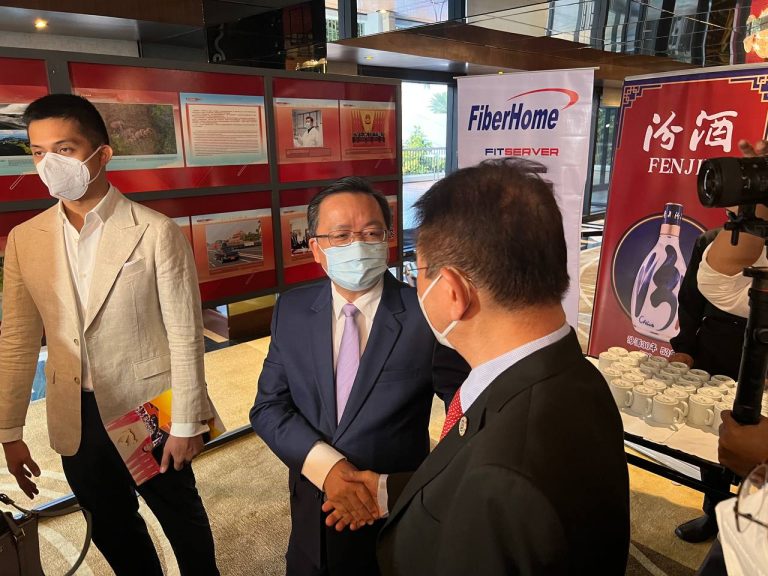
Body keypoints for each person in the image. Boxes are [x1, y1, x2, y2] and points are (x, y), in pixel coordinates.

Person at [327, 159, 631, 575]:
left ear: (453, 291)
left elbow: (490, 495)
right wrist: (388, 490)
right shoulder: (575, 375)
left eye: (420, 272)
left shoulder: (504, 477)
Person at [0, 94, 219, 575]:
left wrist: (188, 422)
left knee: (179, 515)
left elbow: (185, 334)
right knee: (111, 525)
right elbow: (17, 338)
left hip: (148, 403)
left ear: (102, 154)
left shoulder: (154, 231)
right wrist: (9, 431)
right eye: (38, 152)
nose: (50, 164)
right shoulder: (26, 239)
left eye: (65, 149)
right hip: (74, 412)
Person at [250, 176, 465, 576]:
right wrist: (327, 467)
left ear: (387, 240)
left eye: (371, 233)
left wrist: (426, 486)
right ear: (316, 248)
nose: (358, 245)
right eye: (341, 235)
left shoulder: (425, 314)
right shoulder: (292, 311)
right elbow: (268, 407)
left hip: (391, 520)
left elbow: (468, 410)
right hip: (312, 514)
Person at [669, 229, 747, 542]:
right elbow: (690, 300)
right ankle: (714, 513)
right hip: (714, 347)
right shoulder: (711, 241)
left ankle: (752, 522)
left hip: (763, 354)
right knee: (710, 435)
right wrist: (685, 348)